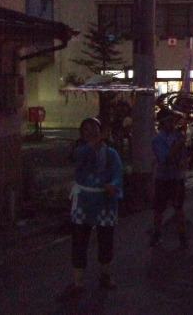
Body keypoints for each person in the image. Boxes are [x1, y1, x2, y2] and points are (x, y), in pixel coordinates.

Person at [64, 117, 123, 297]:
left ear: (100, 130)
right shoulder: (80, 150)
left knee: (106, 240)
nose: (90, 132)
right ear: (81, 134)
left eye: (94, 128)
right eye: (86, 129)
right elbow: (79, 157)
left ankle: (105, 274)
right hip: (83, 201)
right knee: (80, 241)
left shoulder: (111, 153)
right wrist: (95, 143)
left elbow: (117, 173)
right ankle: (77, 281)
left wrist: (113, 184)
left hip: (105, 202)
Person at [150, 108, 189, 248]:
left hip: (177, 177)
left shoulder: (178, 136)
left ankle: (182, 237)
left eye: (173, 120)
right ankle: (156, 234)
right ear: (162, 123)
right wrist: (179, 144)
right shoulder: (158, 139)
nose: (172, 123)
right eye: (169, 121)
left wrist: (184, 161)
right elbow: (164, 158)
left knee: (179, 208)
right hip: (163, 177)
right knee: (159, 209)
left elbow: (184, 156)